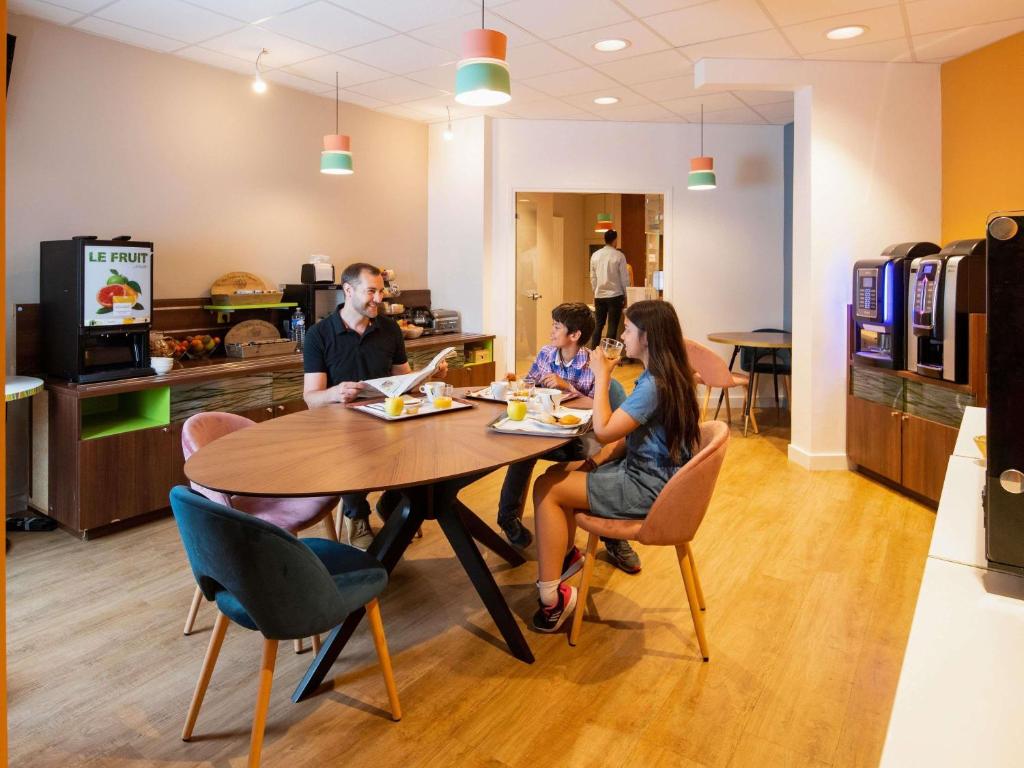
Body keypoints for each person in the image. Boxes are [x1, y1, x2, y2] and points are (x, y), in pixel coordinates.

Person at [529, 300, 701, 632]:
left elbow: (605, 429)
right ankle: (566, 559)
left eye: (628, 330)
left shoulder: (653, 384)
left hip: (647, 486)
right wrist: (594, 462)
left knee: (545, 487)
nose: (621, 336)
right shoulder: (666, 374)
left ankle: (552, 601)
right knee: (557, 473)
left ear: (647, 337)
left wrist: (602, 376)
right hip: (657, 476)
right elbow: (626, 434)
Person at [302, 262, 447, 549]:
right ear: (348, 290)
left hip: (384, 416)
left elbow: (402, 381)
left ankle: (394, 504)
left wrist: (428, 374)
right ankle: (357, 516)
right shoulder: (319, 335)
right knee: (351, 450)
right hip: (341, 423)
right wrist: (336, 392)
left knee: (423, 445)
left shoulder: (390, 329)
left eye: (381, 292)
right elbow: (311, 398)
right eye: (371, 291)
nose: (379, 299)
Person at [497, 302, 643, 574]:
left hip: (579, 438)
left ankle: (613, 536)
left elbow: (599, 409)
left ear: (574, 335)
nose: (551, 331)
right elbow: (529, 386)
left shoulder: (592, 364)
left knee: (596, 465)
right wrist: (515, 382)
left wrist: (569, 388)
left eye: (557, 327)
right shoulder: (545, 354)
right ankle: (508, 519)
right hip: (545, 431)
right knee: (521, 450)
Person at [589, 229, 630, 349]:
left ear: (605, 239)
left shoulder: (595, 255)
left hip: (599, 296)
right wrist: (626, 295)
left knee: (598, 325)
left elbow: (593, 277)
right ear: (615, 240)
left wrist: (595, 292)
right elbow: (624, 278)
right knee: (612, 326)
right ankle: (608, 355)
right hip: (615, 296)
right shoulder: (619, 256)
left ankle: (593, 352)